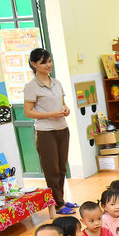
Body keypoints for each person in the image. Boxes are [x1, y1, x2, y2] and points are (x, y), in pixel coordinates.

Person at [23, 48, 77, 215]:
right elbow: (28, 112)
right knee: (51, 170)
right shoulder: (31, 86)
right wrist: (50, 115)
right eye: (43, 62)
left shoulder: (56, 83)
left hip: (62, 129)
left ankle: (60, 199)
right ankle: (58, 204)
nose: (48, 65)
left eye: (49, 61)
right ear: (34, 64)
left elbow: (62, 104)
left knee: (61, 168)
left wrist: (66, 110)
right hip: (46, 132)